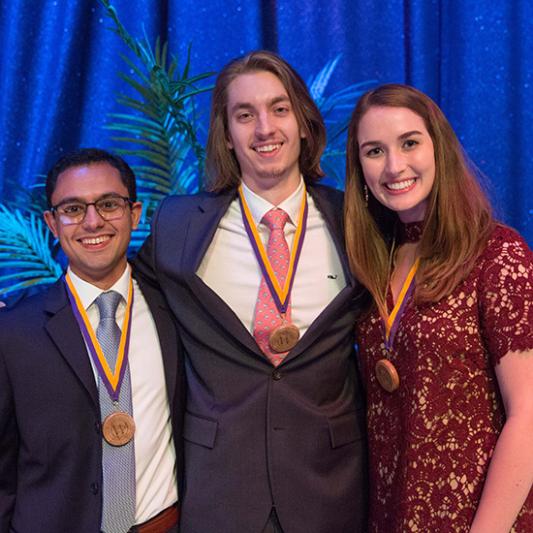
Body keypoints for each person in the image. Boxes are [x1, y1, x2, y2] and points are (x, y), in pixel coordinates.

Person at [135, 50, 368, 533]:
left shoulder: (358, 223)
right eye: (245, 115)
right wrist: (25, 317)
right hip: (220, 489)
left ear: (303, 122)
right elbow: (115, 293)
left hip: (330, 489)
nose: (265, 129)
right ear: (226, 134)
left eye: (279, 109)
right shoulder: (179, 225)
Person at [344, 83, 533, 532]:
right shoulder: (373, 265)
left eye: (409, 143)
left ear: (439, 148)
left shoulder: (497, 254)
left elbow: (529, 414)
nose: (394, 166)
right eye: (374, 151)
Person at [0, 149, 185, 533]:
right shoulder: (13, 333)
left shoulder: (178, 310)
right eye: (72, 209)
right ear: (52, 223)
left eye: (108, 204)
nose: (92, 221)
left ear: (135, 213)